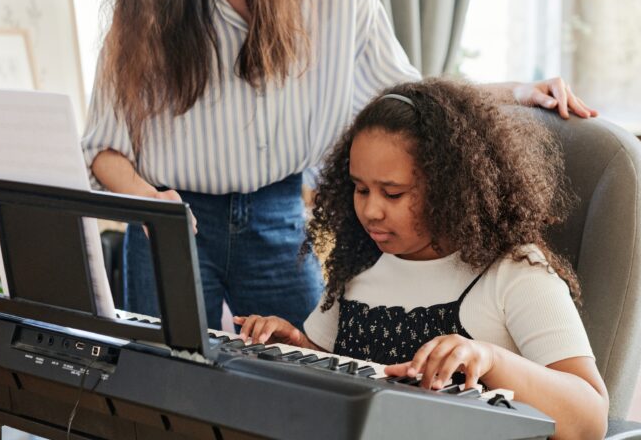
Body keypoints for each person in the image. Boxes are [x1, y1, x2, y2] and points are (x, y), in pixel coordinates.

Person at [81, 0, 597, 330]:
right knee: (157, 386)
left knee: (306, 383)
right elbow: (102, 144)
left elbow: (404, 96)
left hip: (278, 219)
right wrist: (148, 200)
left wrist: (513, 92)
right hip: (169, 223)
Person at [233, 79, 609, 440]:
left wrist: (492, 360)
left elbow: (591, 420)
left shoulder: (514, 273)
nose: (371, 210)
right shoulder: (361, 263)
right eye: (361, 189)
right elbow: (343, 366)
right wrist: (296, 346)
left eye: (392, 193)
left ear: (450, 188)